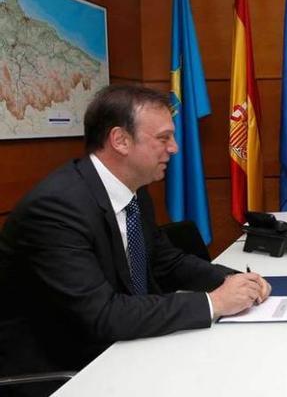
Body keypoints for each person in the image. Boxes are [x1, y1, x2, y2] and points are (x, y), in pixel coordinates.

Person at [0, 85, 272, 381]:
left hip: (124, 344)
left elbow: (166, 262)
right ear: (120, 140)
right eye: (163, 138)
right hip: (64, 366)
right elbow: (101, 315)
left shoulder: (133, 192)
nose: (175, 148)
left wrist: (234, 281)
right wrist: (214, 302)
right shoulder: (56, 209)